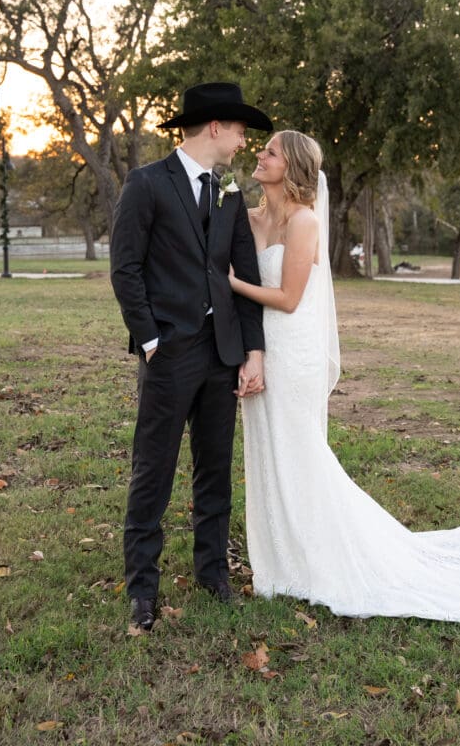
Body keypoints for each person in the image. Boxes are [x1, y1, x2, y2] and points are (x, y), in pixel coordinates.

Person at [230, 131, 460, 622]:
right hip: (261, 349)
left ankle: (321, 558)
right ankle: (280, 563)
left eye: (271, 151)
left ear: (294, 167)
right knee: (267, 450)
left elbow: (289, 298)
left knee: (298, 451)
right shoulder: (249, 216)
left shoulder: (304, 223)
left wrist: (231, 283)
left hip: (293, 350)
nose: (259, 155)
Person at [111, 82, 272, 631]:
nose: (244, 140)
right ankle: (142, 591)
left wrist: (253, 350)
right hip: (169, 353)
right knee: (152, 471)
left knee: (215, 470)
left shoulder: (228, 193)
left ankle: (213, 574)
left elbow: (245, 278)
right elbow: (126, 269)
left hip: (222, 354)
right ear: (214, 128)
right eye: (239, 129)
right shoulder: (147, 184)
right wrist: (151, 340)